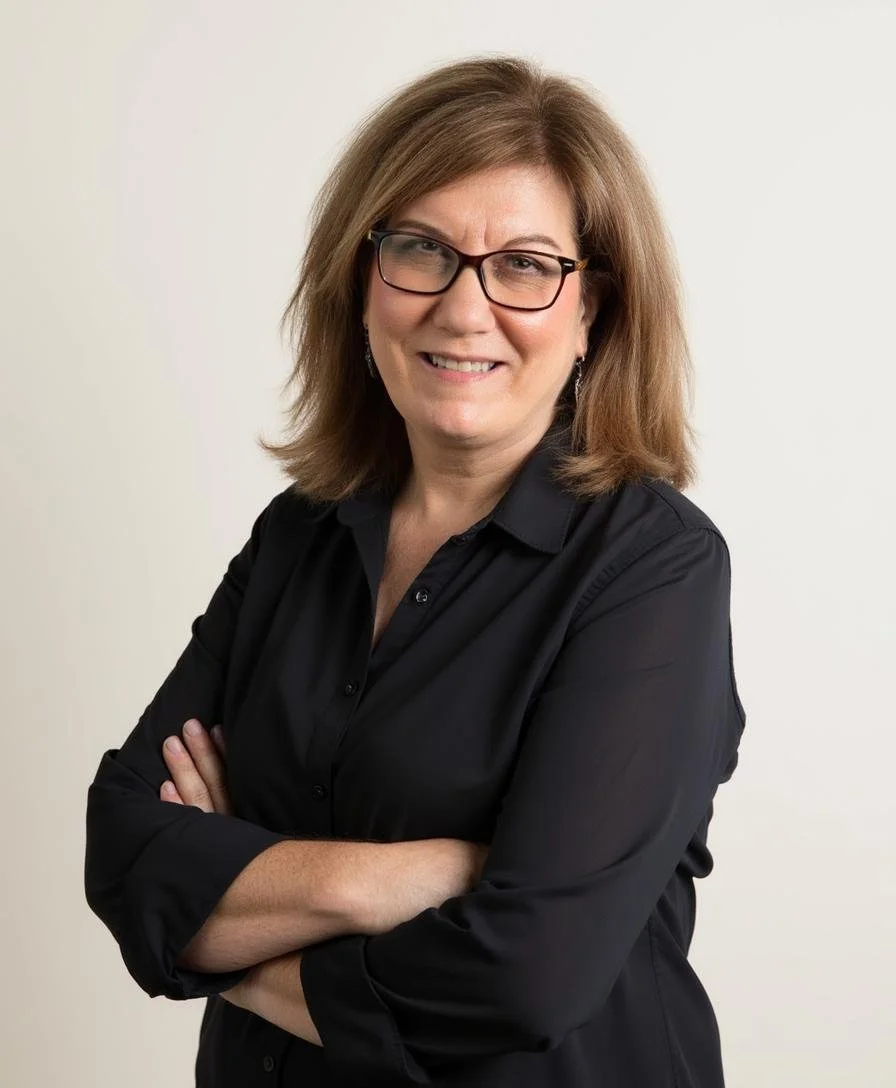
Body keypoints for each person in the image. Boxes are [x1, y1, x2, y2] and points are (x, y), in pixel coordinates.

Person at [84, 55, 746, 1088]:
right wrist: (401, 878)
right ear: (363, 281)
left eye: (525, 264)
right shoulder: (294, 539)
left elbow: (522, 975)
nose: (462, 306)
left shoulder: (651, 569)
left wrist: (224, 937)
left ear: (593, 314)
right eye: (419, 250)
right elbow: (124, 848)